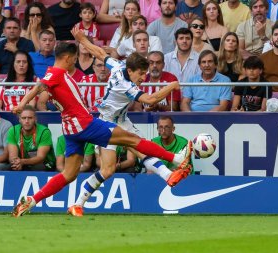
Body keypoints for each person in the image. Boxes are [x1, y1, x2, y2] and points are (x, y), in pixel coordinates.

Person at [11, 39, 192, 218]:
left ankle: (32, 200)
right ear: (67, 58)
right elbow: (39, 85)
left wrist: (82, 38)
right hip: (86, 123)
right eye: (74, 59)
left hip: (71, 128)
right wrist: (22, 104)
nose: (76, 62)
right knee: (134, 141)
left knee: (70, 174)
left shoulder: (63, 72)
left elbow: (99, 53)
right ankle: (176, 159)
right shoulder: (56, 74)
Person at [66, 28, 192, 216]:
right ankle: (172, 166)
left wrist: (82, 39)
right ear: (130, 70)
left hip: (121, 121)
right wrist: (172, 86)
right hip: (106, 125)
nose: (143, 78)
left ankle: (77, 203)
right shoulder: (125, 85)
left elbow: (100, 53)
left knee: (120, 163)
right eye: (141, 74)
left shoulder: (117, 66)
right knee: (129, 155)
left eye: (145, 74)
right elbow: (150, 100)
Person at [7, 105, 56, 171]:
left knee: (37, 168)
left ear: (35, 119)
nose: (27, 121)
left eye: (30, 118)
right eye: (24, 118)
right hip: (22, 162)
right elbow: (12, 156)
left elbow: (40, 158)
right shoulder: (13, 130)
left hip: (45, 163)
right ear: (19, 120)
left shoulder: (44, 131)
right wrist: (17, 163)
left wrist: (22, 162)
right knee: (11, 166)